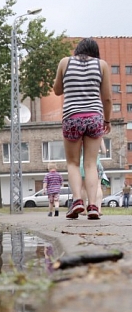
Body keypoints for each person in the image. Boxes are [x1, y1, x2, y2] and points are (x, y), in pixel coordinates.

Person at [53, 38, 112, 220]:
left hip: (72, 117)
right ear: (95, 52)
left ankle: (78, 201)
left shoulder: (65, 62)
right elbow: (107, 98)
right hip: (94, 117)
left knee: (73, 163)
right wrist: (107, 121)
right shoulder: (102, 65)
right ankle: (93, 206)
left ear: (77, 50)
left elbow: (57, 90)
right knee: (91, 164)